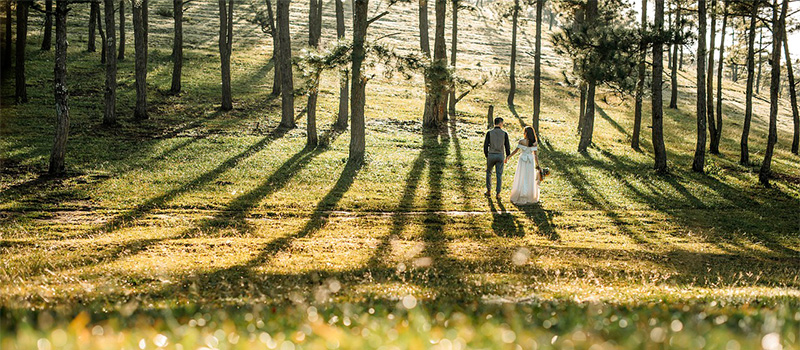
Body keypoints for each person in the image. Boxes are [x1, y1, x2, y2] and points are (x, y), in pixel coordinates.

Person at [506, 126, 541, 205]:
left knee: (521, 176)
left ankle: (521, 193)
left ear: (526, 133)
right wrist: (537, 165)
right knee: (529, 177)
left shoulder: (521, 141)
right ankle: (529, 195)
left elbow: (516, 151)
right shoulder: (534, 142)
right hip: (530, 161)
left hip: (522, 160)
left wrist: (509, 157)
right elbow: (535, 155)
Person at [484, 117, 511, 199]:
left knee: (489, 173)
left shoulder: (489, 133)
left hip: (491, 155)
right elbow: (507, 146)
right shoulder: (504, 134)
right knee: (499, 175)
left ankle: (488, 191)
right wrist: (507, 156)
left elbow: (485, 146)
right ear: (500, 123)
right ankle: (498, 193)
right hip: (500, 155)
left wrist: (487, 155)